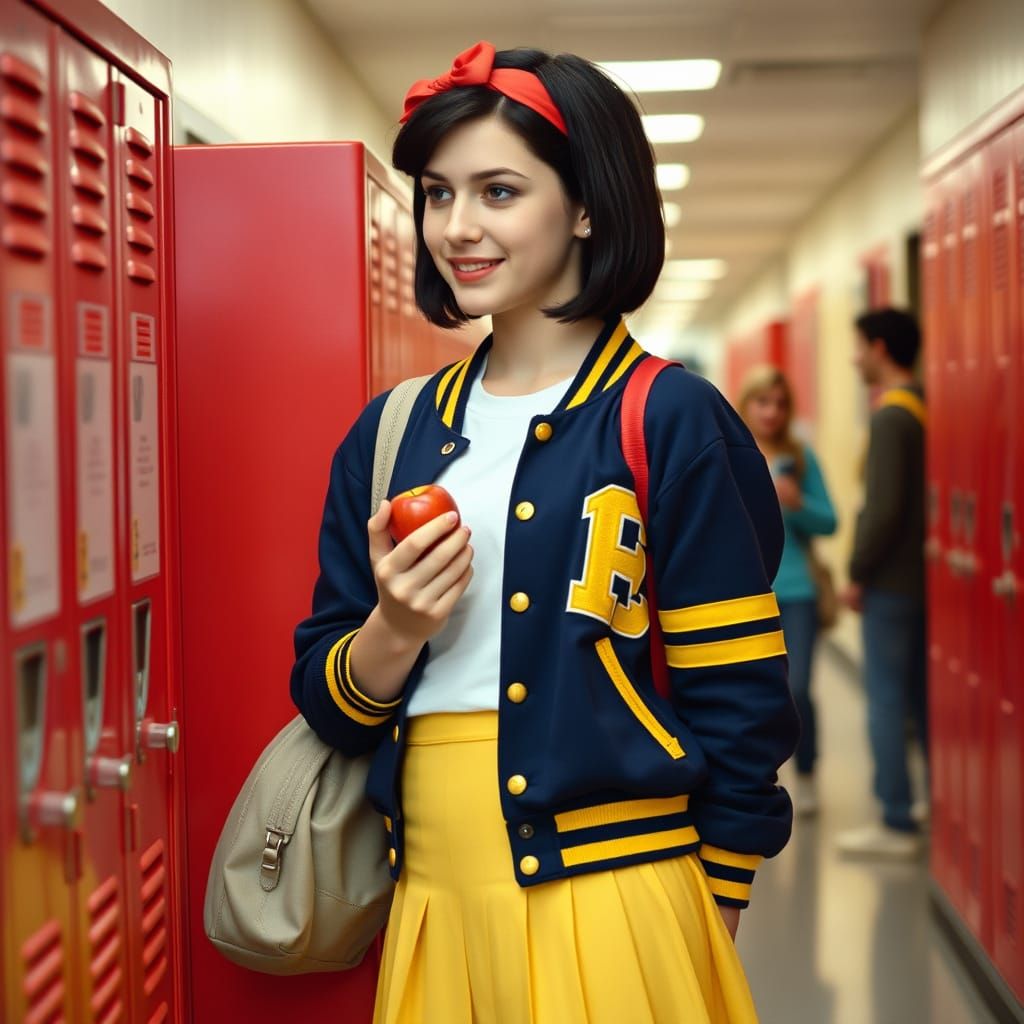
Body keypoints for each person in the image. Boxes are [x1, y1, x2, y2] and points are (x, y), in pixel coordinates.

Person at [291, 41, 798, 1023]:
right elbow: (328, 698)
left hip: (619, 895)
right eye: (438, 195)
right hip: (432, 894)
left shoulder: (669, 418)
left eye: (497, 191)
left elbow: (738, 694)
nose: (457, 227)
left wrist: (716, 900)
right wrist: (393, 630)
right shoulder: (393, 432)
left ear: (584, 206)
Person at [837, 307, 927, 859]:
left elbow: (884, 508)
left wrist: (856, 571)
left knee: (886, 699)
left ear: (879, 348)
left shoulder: (892, 416)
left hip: (892, 582)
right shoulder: (921, 404)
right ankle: (932, 802)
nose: (853, 358)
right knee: (919, 693)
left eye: (858, 346)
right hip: (921, 578)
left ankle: (895, 818)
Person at [738, 366, 837, 817]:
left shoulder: (799, 457)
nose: (771, 413)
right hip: (743, 591)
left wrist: (796, 502)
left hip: (796, 591)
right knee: (751, 691)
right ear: (747, 404)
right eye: (763, 402)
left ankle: (809, 774)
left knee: (796, 688)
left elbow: (829, 521)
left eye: (780, 404)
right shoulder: (730, 452)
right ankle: (757, 777)